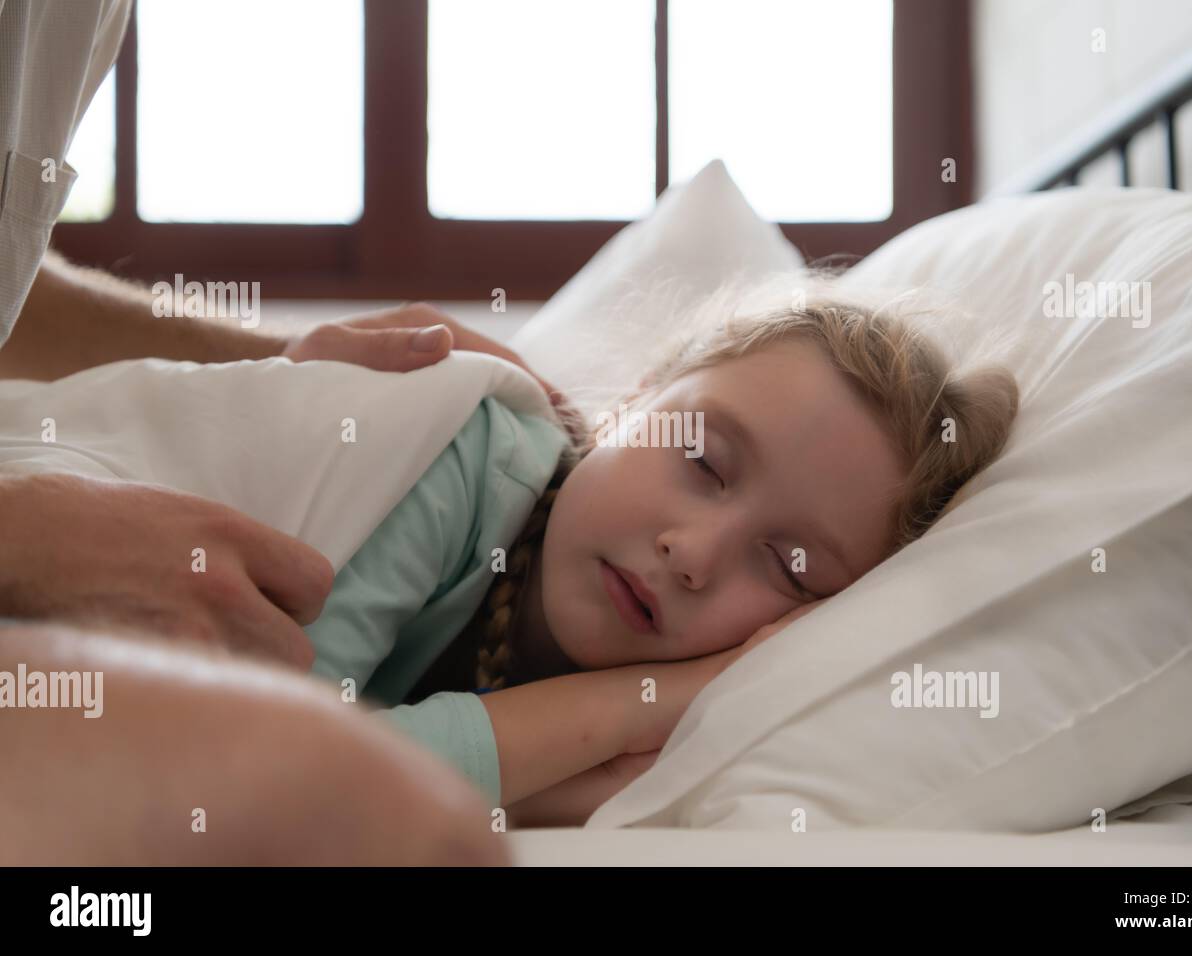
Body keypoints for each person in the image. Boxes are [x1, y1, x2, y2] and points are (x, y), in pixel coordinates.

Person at [0, 0, 550, 865]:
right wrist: (24, 536)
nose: (697, 552)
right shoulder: (479, 451)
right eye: (705, 462)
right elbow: (316, 731)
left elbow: (6, 289)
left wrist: (269, 361)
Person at [301, 275, 1020, 826]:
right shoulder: (462, 454)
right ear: (631, 403)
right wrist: (631, 708)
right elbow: (271, 774)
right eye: (703, 460)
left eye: (788, 566)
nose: (693, 556)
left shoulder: (706, 749)